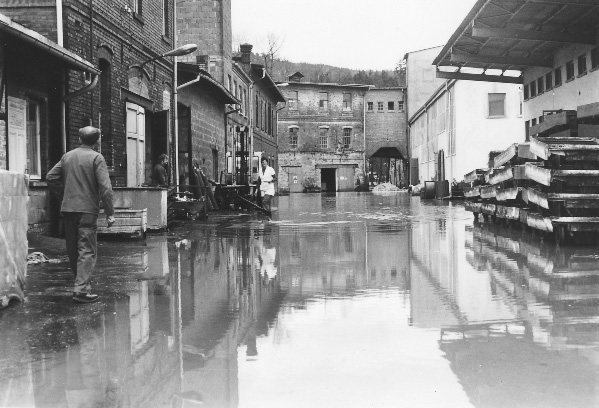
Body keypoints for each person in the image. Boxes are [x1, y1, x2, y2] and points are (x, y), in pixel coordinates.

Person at [46, 126, 115, 303]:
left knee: (73, 248)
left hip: (68, 209)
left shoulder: (67, 156)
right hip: (87, 211)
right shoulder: (96, 158)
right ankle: (81, 290)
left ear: (79, 139)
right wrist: (110, 212)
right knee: (87, 249)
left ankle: (80, 284)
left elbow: (51, 177)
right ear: (97, 141)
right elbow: (106, 188)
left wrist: (64, 196)